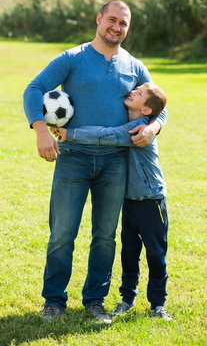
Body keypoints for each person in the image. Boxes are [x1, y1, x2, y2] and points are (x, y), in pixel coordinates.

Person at [23, 0, 167, 323]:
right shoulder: (73, 58)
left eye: (123, 24)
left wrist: (155, 126)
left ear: (128, 29)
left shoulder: (135, 66)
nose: (116, 27)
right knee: (62, 233)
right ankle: (53, 300)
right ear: (99, 19)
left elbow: (160, 104)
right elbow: (34, 89)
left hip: (115, 164)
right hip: (71, 159)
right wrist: (41, 131)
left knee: (105, 236)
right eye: (112, 20)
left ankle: (95, 300)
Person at [51, 82, 172, 321]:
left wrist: (71, 134)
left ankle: (158, 304)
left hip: (151, 201)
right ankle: (127, 299)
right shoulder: (131, 120)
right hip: (128, 201)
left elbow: (108, 136)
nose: (132, 92)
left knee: (156, 255)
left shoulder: (138, 128)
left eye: (138, 94)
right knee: (129, 253)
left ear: (146, 110)